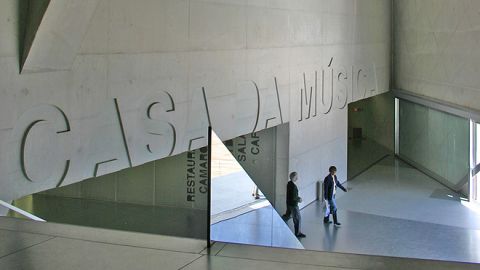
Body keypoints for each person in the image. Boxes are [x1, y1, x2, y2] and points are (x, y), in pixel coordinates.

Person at [282, 172, 306, 238]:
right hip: (293, 205)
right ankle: (298, 233)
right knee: (298, 218)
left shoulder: (289, 184)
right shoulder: (293, 186)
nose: (297, 178)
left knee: (287, 216)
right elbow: (294, 197)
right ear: (293, 177)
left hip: (289, 203)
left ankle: (280, 222)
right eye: (296, 177)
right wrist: (299, 199)